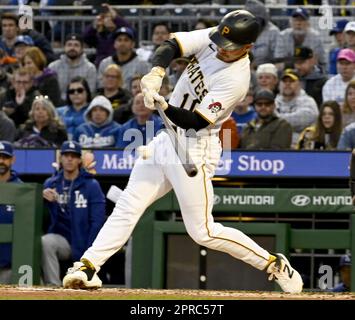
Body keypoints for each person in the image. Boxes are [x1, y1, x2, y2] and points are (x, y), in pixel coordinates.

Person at [62, 9, 303, 293]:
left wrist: (163, 105)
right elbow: (172, 46)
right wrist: (156, 72)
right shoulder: (218, 36)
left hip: (196, 146)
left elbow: (196, 120)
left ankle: (274, 264)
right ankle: (88, 266)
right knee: (129, 204)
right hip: (167, 139)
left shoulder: (236, 80)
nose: (221, 50)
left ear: (247, 48)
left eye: (230, 49)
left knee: (203, 231)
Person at [42, 141, 106, 286]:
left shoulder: (91, 185)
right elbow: (43, 217)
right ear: (61, 158)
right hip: (63, 240)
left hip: (84, 240)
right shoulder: (51, 184)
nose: (69, 159)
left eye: (74, 156)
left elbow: (97, 221)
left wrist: (90, 250)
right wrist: (41, 197)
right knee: (46, 241)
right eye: (66, 155)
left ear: (79, 160)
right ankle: (53, 286)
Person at [275, 68, 319, 147]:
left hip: (301, 146)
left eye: (291, 81)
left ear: (300, 84)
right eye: (284, 81)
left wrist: (276, 119)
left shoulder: (308, 101)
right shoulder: (275, 101)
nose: (287, 84)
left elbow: (302, 119)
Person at [274, 7, 326, 72]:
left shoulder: (316, 36)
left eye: (302, 20)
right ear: (291, 22)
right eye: (295, 20)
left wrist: (288, 62)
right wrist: (303, 61)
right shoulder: (282, 35)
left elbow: (319, 61)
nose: (298, 23)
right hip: (287, 72)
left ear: (308, 23)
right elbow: (278, 60)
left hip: (310, 72)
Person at [48, 34, 97, 101]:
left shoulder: (90, 68)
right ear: (64, 47)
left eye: (76, 45)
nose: (72, 48)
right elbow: (50, 91)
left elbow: (90, 92)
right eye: (69, 45)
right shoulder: (53, 66)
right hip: (57, 105)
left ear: (82, 48)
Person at [0, 141, 23, 284]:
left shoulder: (22, 189)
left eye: (5, 157)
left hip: (10, 267)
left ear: (12, 159)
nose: (1, 161)